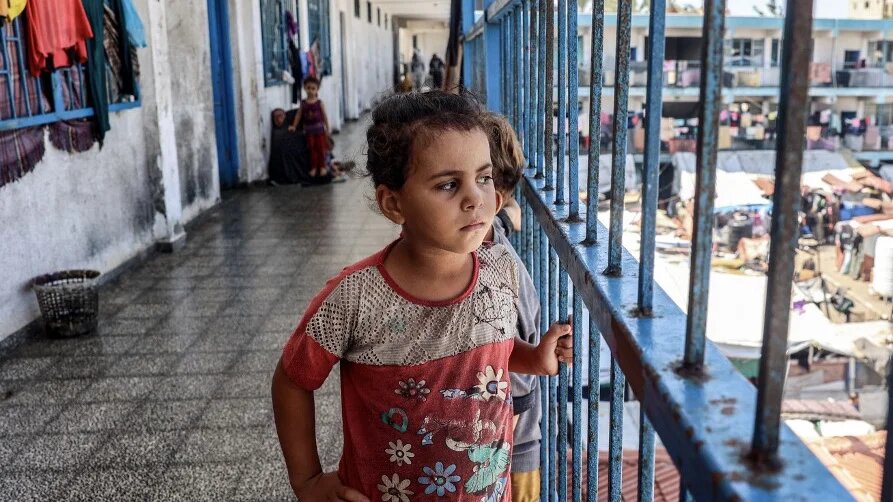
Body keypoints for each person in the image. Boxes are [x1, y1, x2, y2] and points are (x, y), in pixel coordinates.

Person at [271, 91, 573, 502]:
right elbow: (292, 379)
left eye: (483, 178)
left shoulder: (500, 270)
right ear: (394, 204)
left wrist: (533, 358)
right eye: (449, 184)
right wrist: (305, 481)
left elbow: (489, 348)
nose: (476, 198)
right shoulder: (356, 297)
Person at [482, 112, 540, 501]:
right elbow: (509, 216)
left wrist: (496, 444)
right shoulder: (495, 228)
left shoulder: (498, 273)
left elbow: (516, 387)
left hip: (509, 449)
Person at [289, 76, 331, 177]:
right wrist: (294, 126)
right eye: (308, 88)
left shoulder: (319, 103)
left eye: (313, 88)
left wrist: (328, 128)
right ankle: (313, 167)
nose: (310, 91)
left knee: (321, 149)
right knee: (312, 149)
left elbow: (324, 116)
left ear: (317, 89)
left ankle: (322, 167)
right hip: (309, 132)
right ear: (304, 88)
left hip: (320, 131)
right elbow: (298, 115)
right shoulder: (303, 104)